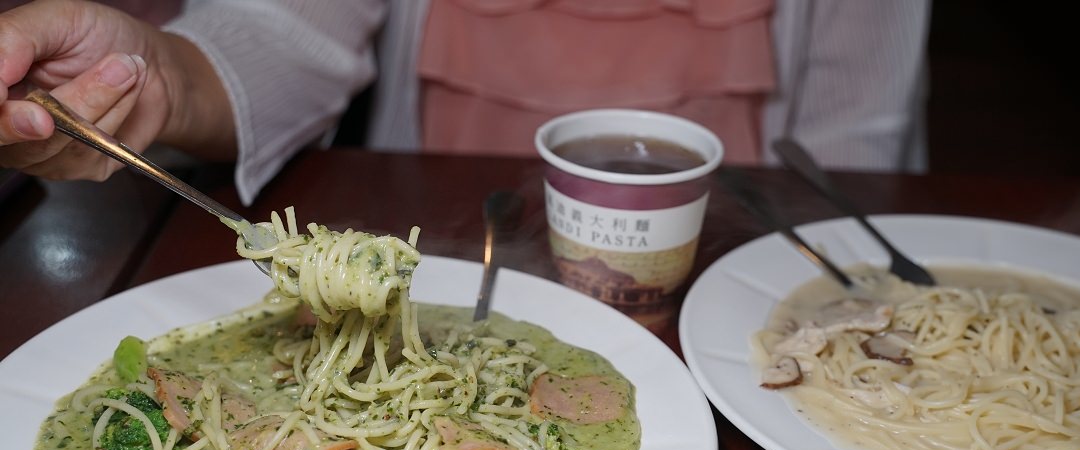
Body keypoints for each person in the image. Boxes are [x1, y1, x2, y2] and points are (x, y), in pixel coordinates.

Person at [0, 0, 930, 206]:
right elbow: (285, 32)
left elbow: (856, 143)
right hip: (435, 268)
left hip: (731, 276)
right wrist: (149, 80)